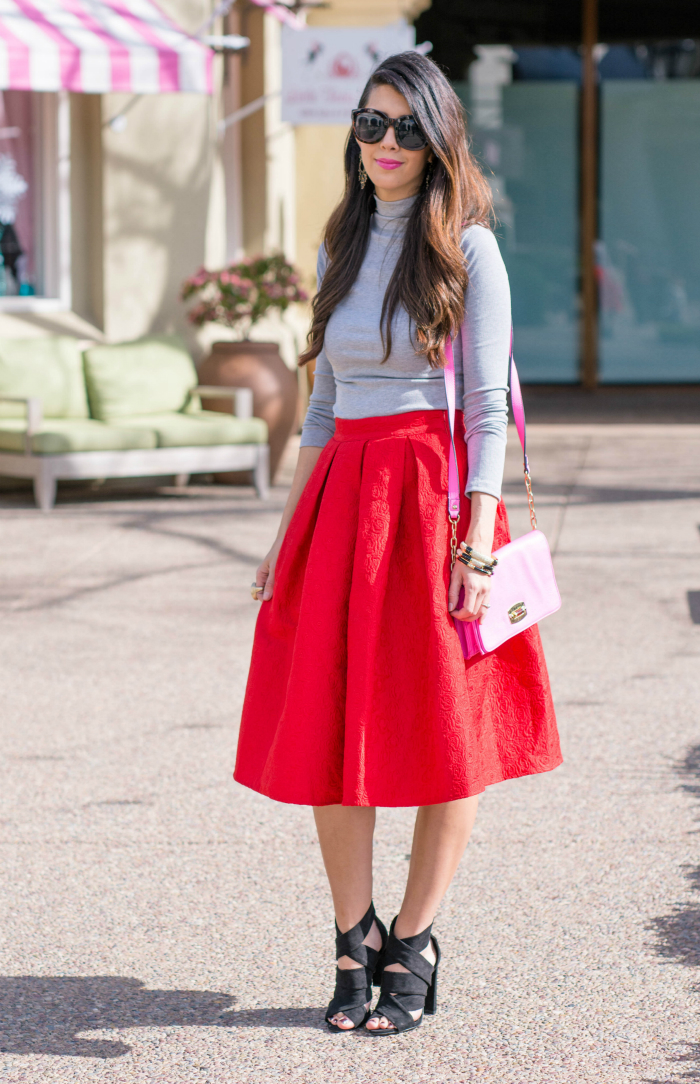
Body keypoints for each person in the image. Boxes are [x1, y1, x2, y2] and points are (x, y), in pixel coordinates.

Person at [234, 51, 561, 1036]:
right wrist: (283, 534)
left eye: (404, 128)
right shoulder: (339, 241)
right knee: (334, 732)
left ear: (437, 136)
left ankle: (414, 938)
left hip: (433, 502)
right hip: (343, 503)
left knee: (444, 733)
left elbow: (489, 405)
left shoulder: (469, 247)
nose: (383, 144)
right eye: (369, 124)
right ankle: (353, 937)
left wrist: (473, 541)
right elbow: (322, 409)